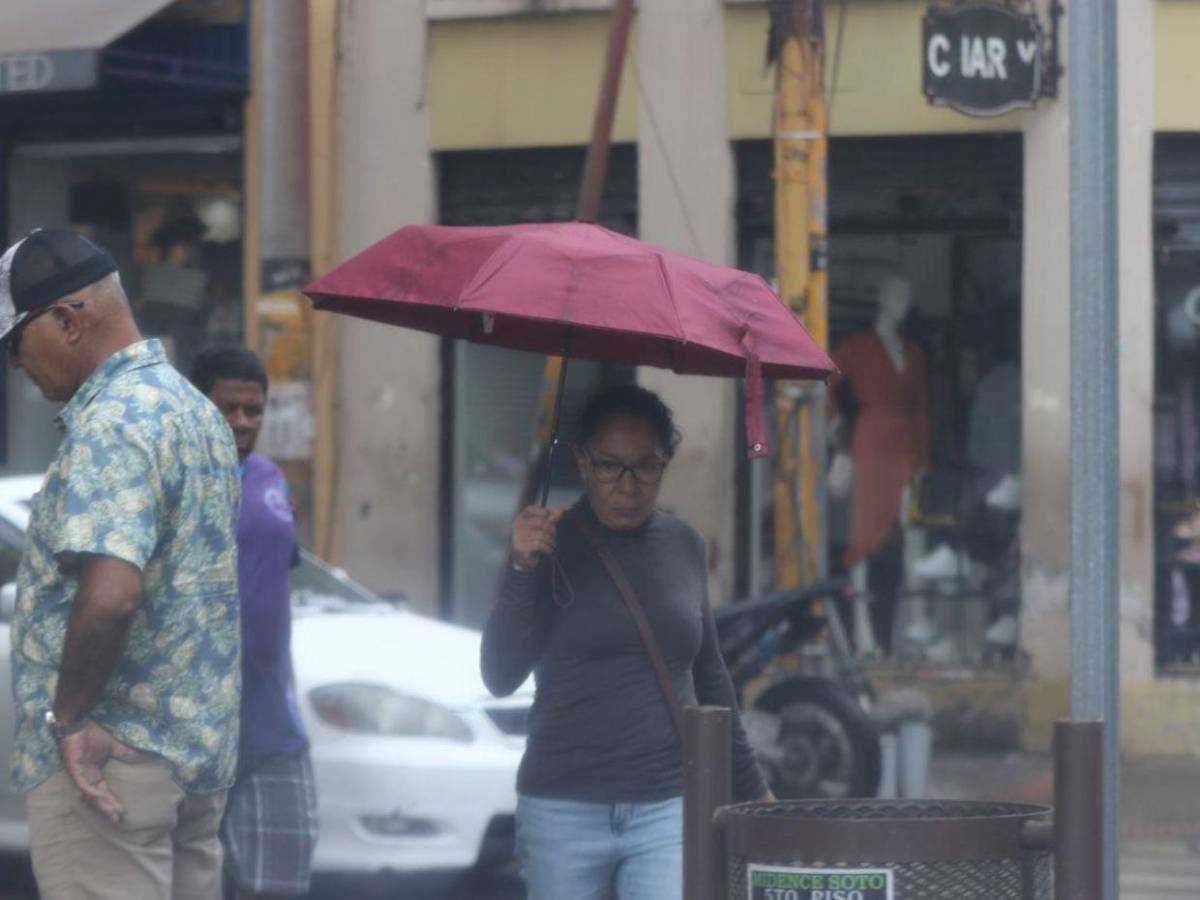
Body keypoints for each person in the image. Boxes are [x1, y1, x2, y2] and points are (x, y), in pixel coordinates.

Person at [2, 228, 241, 899]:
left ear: (67, 320)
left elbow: (112, 598)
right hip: (193, 760)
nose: (16, 364)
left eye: (15, 342)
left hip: (111, 764)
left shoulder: (111, 425)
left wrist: (70, 721)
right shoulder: (194, 410)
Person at [481, 384, 770, 900]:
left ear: (667, 462)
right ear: (582, 462)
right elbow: (499, 677)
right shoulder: (548, 543)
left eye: (646, 465)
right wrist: (522, 569)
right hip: (562, 806)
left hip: (668, 805)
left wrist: (753, 790)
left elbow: (711, 678)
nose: (628, 484)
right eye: (610, 465)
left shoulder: (684, 545)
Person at [190, 346, 318, 899]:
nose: (243, 422)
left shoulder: (270, 477)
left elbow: (276, 590)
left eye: (254, 409)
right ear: (197, 405)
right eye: (228, 409)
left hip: (270, 727)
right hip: (191, 730)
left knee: (279, 885)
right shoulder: (178, 479)